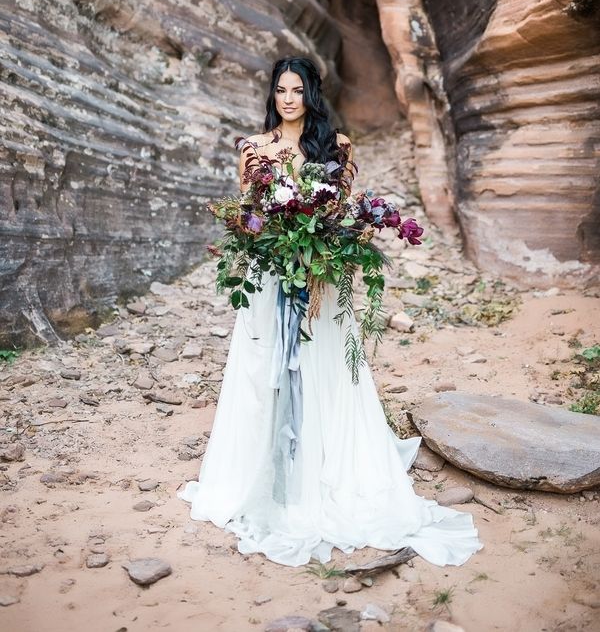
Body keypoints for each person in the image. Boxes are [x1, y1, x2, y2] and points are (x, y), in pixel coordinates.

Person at [178, 56, 482, 568]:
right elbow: (248, 216)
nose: (289, 98)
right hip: (270, 276)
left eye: (298, 90)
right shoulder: (254, 150)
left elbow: (340, 212)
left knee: (326, 370)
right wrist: (270, 236)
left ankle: (325, 472)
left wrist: (328, 243)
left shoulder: (336, 147)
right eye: (281, 89)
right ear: (272, 94)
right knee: (262, 372)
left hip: (319, 277)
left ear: (311, 94)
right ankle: (263, 477)